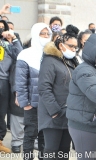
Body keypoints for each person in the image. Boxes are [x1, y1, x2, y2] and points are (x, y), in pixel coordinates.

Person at [38, 24, 79, 160]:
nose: (73, 49)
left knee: (64, 151)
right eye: (71, 46)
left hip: (68, 114)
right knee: (51, 151)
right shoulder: (49, 60)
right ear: (61, 45)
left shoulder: (71, 61)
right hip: (53, 115)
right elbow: (44, 88)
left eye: (75, 47)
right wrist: (55, 111)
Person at [16, 23, 52, 160]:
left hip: (47, 104)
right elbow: (20, 82)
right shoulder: (25, 54)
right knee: (30, 134)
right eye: (42, 33)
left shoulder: (51, 54)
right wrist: (25, 103)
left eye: (48, 34)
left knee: (44, 135)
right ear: (35, 34)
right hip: (32, 103)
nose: (46, 36)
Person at [0, 16, 22, 153]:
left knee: (1, 113)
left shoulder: (8, 44)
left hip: (3, 82)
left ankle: (0, 140)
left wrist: (13, 39)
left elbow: (20, 55)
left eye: (3, 27)